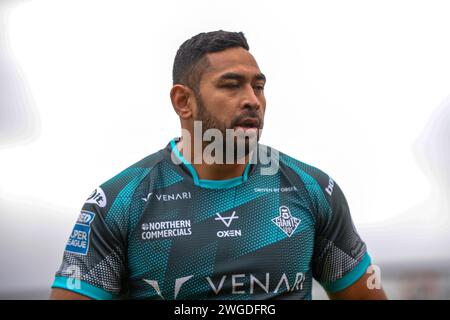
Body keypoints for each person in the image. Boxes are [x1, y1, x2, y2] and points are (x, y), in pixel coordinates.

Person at [50, 30, 387, 300]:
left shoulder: (313, 189)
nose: (253, 100)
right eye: (231, 85)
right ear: (184, 101)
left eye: (258, 87)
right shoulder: (119, 201)